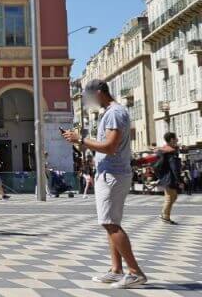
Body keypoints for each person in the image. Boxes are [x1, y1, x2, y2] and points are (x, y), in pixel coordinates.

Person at [63, 79, 147, 289]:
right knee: (111, 223)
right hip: (110, 172)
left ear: (100, 92)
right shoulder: (111, 113)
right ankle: (116, 270)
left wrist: (81, 140)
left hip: (113, 174)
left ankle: (135, 272)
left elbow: (110, 146)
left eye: (89, 97)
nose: (88, 101)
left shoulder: (114, 113)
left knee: (110, 223)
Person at [154, 132, 182, 224]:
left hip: (165, 177)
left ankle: (164, 214)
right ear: (171, 140)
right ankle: (165, 216)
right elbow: (174, 167)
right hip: (169, 178)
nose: (177, 139)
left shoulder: (165, 150)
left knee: (172, 196)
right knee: (170, 197)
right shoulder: (170, 152)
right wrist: (179, 180)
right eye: (175, 138)